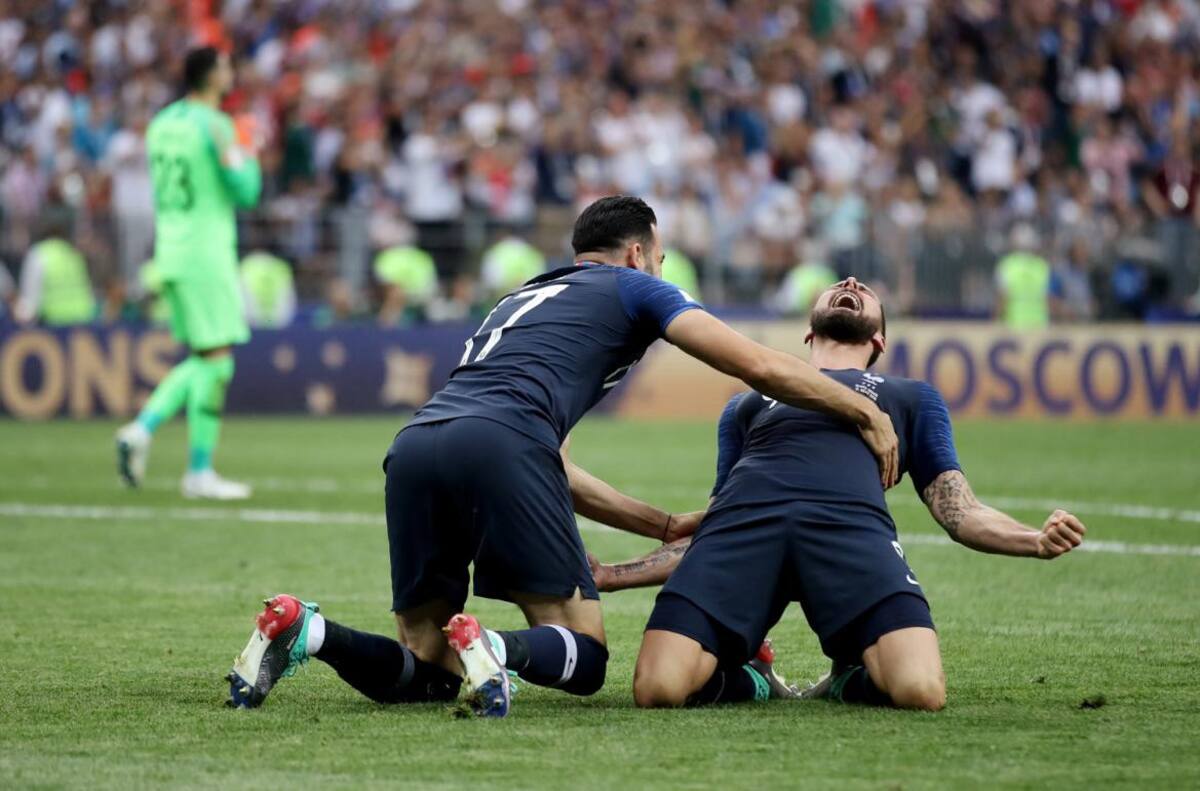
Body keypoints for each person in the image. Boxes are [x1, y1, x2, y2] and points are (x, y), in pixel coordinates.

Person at [224, 196, 901, 717]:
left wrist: (662, 524)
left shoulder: (518, 300)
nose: (662, 272)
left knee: (426, 660)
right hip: (504, 441)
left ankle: (306, 630)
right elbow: (755, 362)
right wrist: (864, 409)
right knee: (587, 654)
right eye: (661, 260)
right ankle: (496, 647)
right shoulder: (637, 288)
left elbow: (558, 467)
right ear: (638, 254)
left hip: (419, 442)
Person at [591, 277, 1087, 710]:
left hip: (849, 531)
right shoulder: (747, 404)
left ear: (879, 338)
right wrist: (613, 576)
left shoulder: (911, 397)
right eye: (840, 287)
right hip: (745, 532)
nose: (851, 282)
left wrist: (1033, 541)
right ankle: (754, 678)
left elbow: (958, 510)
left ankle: (849, 675)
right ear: (809, 331)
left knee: (920, 690)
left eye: (865, 291)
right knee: (656, 689)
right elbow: (713, 525)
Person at [114, 47, 262, 499]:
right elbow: (247, 190)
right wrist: (249, 151)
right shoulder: (216, 124)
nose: (231, 71)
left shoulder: (161, 123)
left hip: (170, 252)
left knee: (205, 359)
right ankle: (190, 465)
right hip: (206, 252)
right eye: (226, 64)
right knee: (216, 363)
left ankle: (148, 437)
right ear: (213, 75)